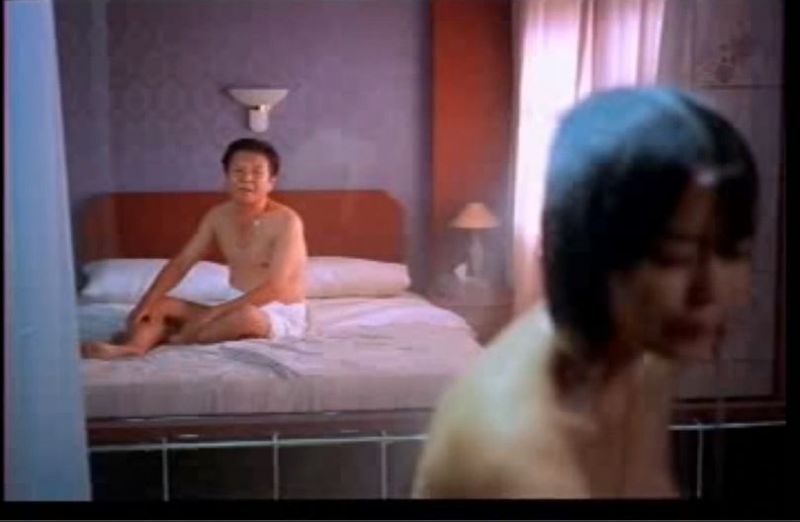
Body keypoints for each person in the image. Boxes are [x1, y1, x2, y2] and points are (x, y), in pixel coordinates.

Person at [412, 87, 758, 498]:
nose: (711, 291)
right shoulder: (518, 458)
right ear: (589, 253)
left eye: (733, 252)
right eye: (675, 257)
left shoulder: (645, 349)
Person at [81, 138, 308, 359]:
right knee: (159, 305)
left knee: (245, 317)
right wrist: (145, 303)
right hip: (233, 304)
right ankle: (134, 348)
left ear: (271, 181)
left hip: (278, 311)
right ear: (226, 178)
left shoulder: (287, 222)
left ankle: (173, 336)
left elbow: (276, 287)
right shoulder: (218, 216)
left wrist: (214, 313)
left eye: (257, 172)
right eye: (238, 171)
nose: (247, 179)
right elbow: (182, 263)